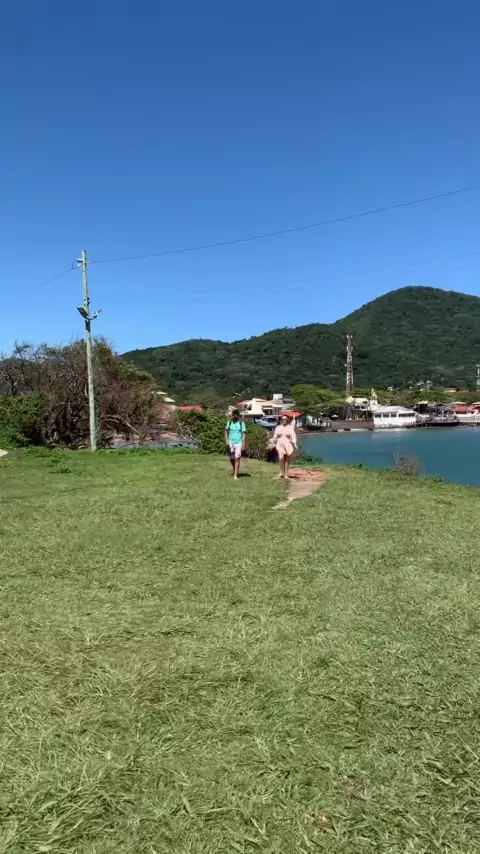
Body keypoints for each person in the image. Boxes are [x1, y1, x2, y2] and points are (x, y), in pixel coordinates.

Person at [272, 415, 298, 479]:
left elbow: (293, 435)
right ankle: (282, 472)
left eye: (285, 419)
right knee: (281, 458)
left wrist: (295, 444)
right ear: (281, 420)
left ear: (287, 420)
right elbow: (275, 436)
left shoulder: (290, 427)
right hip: (280, 444)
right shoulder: (278, 427)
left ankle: (285, 474)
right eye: (283, 419)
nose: (284, 420)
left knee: (287, 460)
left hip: (287, 444)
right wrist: (275, 438)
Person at [225, 410, 246, 479]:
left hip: (238, 442)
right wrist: (227, 440)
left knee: (237, 458)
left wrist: (243, 444)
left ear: (237, 415)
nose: (232, 416)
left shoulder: (241, 423)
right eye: (232, 415)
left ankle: (235, 474)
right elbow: (226, 431)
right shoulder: (229, 422)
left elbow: (244, 434)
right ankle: (235, 469)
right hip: (231, 442)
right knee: (231, 458)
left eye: (234, 415)